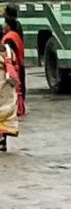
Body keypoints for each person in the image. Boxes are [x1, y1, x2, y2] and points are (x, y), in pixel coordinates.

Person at [0, 21, 24, 152]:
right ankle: (3, 140)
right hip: (7, 86)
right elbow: (15, 64)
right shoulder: (8, 50)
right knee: (5, 112)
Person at [3, 4, 25, 109]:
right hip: (19, 63)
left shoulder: (9, 37)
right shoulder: (18, 28)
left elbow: (8, 53)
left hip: (13, 65)